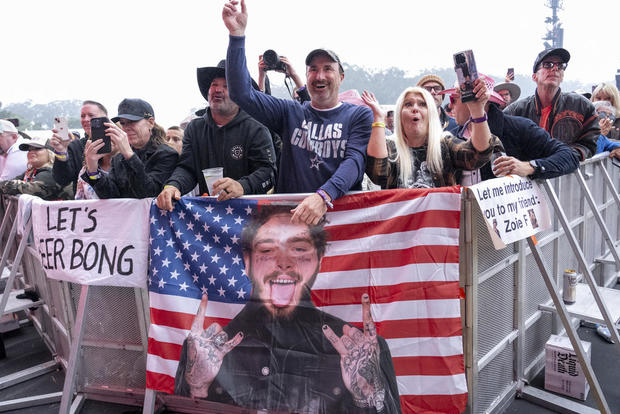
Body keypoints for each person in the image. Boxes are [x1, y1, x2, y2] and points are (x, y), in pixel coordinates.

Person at [174, 205, 401, 413]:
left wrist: (369, 395)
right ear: (247, 261)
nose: (284, 262)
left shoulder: (362, 354)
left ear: (319, 259)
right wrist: (197, 390)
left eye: (299, 248)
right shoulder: (203, 354)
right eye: (267, 250)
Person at [223, 0, 372, 225]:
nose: (319, 76)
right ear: (306, 75)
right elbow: (241, 93)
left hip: (341, 224)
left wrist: (324, 196)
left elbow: (355, 161)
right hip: (291, 224)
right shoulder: (289, 112)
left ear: (341, 77)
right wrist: (237, 36)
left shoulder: (359, 115)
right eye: (313, 69)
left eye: (327, 69)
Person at [156, 61, 276, 210]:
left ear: (241, 95)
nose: (218, 90)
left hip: (249, 216)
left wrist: (242, 186)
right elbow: (187, 168)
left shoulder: (256, 128)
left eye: (227, 86)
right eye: (214, 84)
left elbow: (268, 173)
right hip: (208, 217)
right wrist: (173, 186)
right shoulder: (195, 128)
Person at [361, 80, 500, 189]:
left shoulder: (445, 143)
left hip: (441, 223)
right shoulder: (390, 146)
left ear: (431, 115)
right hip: (403, 225)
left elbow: (477, 156)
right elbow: (377, 173)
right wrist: (378, 118)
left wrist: (477, 110)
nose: (415, 108)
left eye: (422, 104)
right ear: (399, 115)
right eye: (408, 104)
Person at [450, 74, 579, 182]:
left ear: (477, 100)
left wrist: (530, 167)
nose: (450, 106)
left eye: (453, 99)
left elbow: (569, 156)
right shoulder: (451, 136)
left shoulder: (518, 128)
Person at [504, 48, 599, 161]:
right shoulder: (515, 111)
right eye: (548, 64)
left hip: (567, 175)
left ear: (562, 76)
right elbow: (497, 142)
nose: (555, 68)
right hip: (525, 175)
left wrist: (560, 159)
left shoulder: (582, 106)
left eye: (560, 66)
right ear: (534, 77)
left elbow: (588, 145)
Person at [81, 98, 178, 199]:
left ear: (151, 122)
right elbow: (110, 195)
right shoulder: (118, 158)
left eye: (132, 121)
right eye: (123, 123)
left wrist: (129, 155)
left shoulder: (167, 154)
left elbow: (148, 193)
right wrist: (93, 169)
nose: (126, 127)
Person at [50, 100, 109, 195]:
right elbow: (62, 180)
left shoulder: (117, 142)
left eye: (91, 115)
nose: (86, 119)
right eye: (82, 116)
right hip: (85, 206)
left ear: (105, 118)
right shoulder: (75, 146)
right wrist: (61, 152)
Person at [0, 136, 70, 200]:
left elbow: (33, 189)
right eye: (29, 150)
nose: (31, 152)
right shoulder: (31, 171)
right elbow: (9, 182)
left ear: (50, 152)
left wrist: (6, 185)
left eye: (37, 148)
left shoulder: (52, 171)